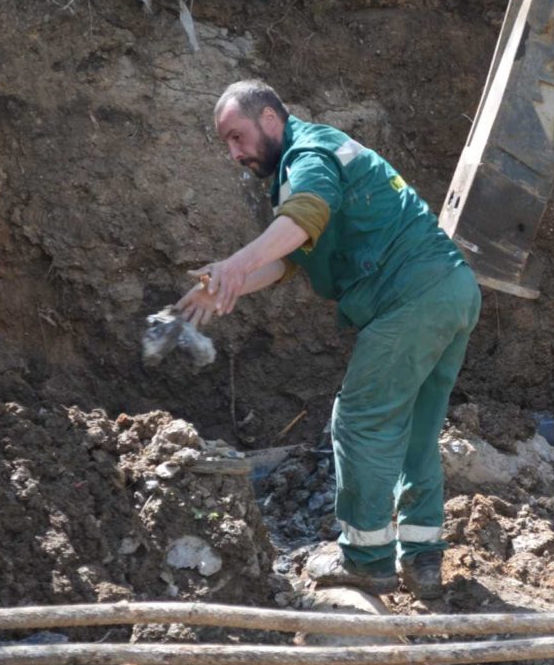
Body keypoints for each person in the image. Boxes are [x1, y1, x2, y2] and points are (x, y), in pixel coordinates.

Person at [177, 80, 481, 599]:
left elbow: (307, 214)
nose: (234, 153)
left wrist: (233, 264)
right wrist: (228, 285)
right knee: (415, 427)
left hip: (410, 298)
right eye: (226, 143)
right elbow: (290, 256)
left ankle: (366, 560)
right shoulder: (315, 156)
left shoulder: (309, 153)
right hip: (451, 290)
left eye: (237, 137)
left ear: (270, 118)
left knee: (358, 420)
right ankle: (423, 556)